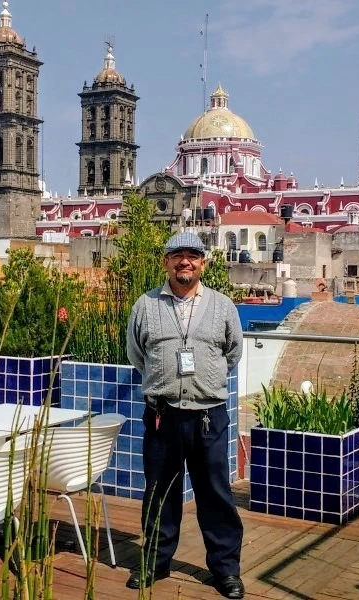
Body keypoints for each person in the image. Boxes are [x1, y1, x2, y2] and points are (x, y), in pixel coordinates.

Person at [125, 231, 245, 599]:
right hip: (163, 416)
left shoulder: (223, 306)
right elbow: (136, 354)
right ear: (166, 262)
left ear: (203, 264)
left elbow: (233, 352)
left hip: (209, 415)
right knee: (160, 492)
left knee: (215, 494)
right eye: (177, 255)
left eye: (193, 256)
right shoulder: (145, 306)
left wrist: (204, 380)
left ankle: (226, 570)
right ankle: (156, 562)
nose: (185, 262)